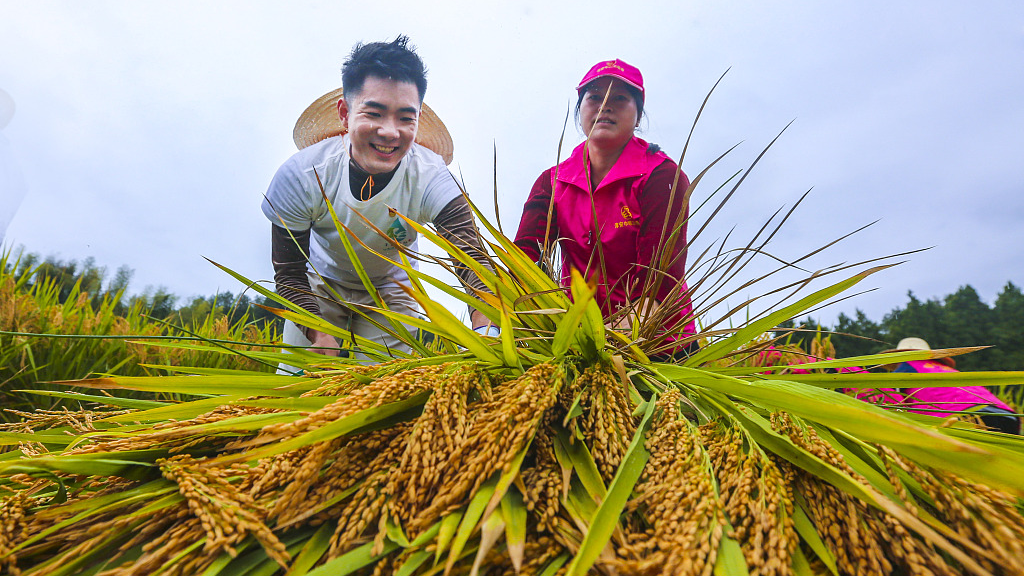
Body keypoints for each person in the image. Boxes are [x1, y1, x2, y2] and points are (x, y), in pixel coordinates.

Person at [262, 36, 492, 364]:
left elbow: (470, 255)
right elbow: (289, 273)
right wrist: (317, 330)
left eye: (404, 118)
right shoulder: (303, 175)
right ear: (345, 113)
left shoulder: (431, 176)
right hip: (321, 283)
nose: (389, 132)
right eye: (375, 113)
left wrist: (485, 324)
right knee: (302, 386)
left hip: (393, 287)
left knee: (382, 393)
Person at [513, 59, 697, 358]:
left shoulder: (662, 176)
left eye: (619, 99)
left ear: (638, 116)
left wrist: (615, 343)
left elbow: (659, 280)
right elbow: (524, 260)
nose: (604, 107)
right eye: (595, 97)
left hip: (658, 340)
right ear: (580, 109)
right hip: (581, 337)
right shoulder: (552, 182)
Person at [873, 337, 1021, 434]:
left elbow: (893, 403)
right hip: (1007, 415)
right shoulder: (949, 370)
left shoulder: (907, 368)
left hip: (961, 417)